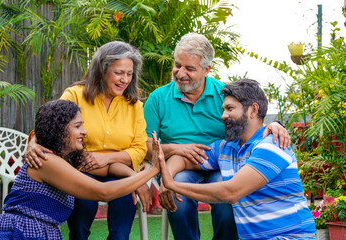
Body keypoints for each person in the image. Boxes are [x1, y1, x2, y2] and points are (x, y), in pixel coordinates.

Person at [143, 32, 291, 240]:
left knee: (227, 205)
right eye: (177, 65)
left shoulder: (224, 94)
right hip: (176, 165)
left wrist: (275, 124)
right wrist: (177, 149)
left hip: (221, 163)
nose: (180, 73)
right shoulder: (157, 99)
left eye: (190, 68)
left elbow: (249, 121)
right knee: (180, 199)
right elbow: (145, 147)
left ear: (206, 70)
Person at [157, 79, 316, 240]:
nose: (223, 116)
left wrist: (173, 185)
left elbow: (231, 192)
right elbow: (184, 158)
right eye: (223, 109)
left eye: (230, 109)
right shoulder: (225, 148)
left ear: (253, 110)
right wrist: (168, 175)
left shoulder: (272, 144)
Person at [25, 41, 148, 240]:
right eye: (118, 73)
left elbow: (140, 148)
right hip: (80, 168)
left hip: (118, 170)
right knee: (84, 201)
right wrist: (33, 143)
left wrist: (107, 159)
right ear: (102, 70)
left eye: (129, 73)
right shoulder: (75, 95)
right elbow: (53, 124)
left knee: (125, 199)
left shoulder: (134, 105)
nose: (124, 79)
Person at [0, 100, 161, 239]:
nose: (84, 131)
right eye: (77, 126)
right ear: (59, 130)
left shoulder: (68, 159)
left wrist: (132, 175)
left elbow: (108, 168)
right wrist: (152, 171)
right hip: (20, 232)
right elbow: (103, 192)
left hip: (44, 232)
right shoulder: (47, 160)